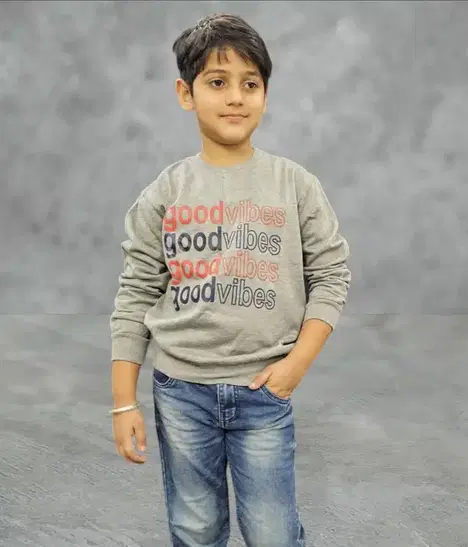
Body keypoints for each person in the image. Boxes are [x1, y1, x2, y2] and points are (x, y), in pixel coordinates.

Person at [109, 13, 351, 547]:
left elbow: (331, 276)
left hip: (263, 390)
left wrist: (296, 365)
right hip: (181, 393)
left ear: (265, 94)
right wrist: (124, 402)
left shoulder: (294, 185)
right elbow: (135, 295)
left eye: (250, 84)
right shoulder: (165, 193)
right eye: (217, 83)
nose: (236, 97)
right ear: (186, 94)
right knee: (195, 528)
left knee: (272, 533)